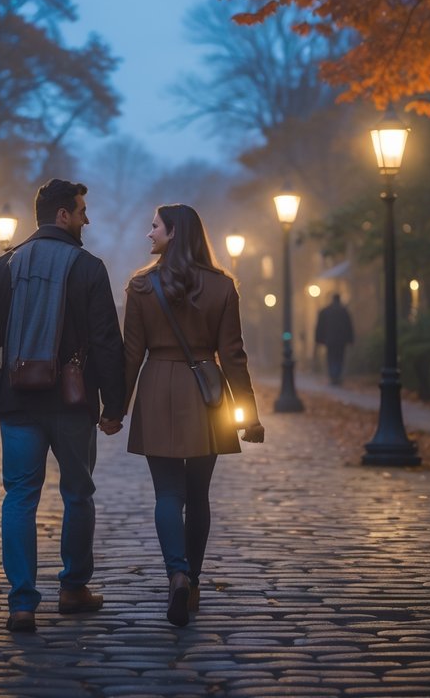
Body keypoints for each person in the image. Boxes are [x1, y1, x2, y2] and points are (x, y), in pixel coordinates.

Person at [0, 179, 126, 634]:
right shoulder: (89, 268)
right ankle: (73, 589)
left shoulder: (2, 266)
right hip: (73, 404)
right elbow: (107, 343)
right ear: (62, 215)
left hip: (16, 401)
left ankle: (22, 603)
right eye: (81, 211)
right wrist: (114, 405)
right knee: (78, 494)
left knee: (19, 496)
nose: (86, 219)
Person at [112, 203, 264, 627]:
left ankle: (175, 573)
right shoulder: (222, 287)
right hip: (207, 394)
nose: (149, 234)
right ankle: (193, 581)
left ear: (174, 232)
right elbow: (234, 356)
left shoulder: (141, 288)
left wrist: (116, 409)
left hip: (158, 386)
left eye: (155, 226)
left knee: (167, 494)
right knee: (198, 496)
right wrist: (248, 415)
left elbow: (130, 356)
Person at [314, 293, 355, 386]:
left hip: (330, 340)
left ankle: (333, 376)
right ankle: (337, 376)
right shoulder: (344, 311)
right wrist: (350, 339)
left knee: (331, 358)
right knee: (340, 358)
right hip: (341, 340)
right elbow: (349, 326)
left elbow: (320, 326)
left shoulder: (326, 311)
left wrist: (319, 339)